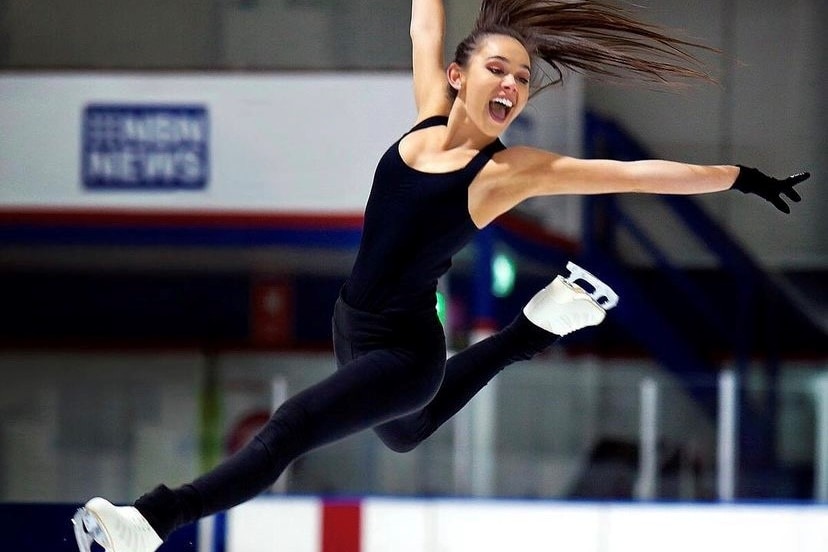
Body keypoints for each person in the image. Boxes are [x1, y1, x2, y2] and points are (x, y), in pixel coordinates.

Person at [72, 2, 809, 551]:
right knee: (402, 436)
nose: (512, 86)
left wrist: (739, 176)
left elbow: (632, 174)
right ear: (459, 77)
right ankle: (534, 328)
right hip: (349, 323)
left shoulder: (509, 174)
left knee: (291, 427)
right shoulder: (425, 120)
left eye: (522, 79)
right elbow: (426, 23)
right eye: (498, 69)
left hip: (404, 351)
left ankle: (151, 519)